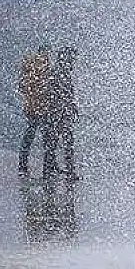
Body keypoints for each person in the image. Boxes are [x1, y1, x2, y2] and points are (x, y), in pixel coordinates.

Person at [18, 43, 57, 178]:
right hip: (43, 108)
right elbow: (47, 88)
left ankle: (22, 166)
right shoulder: (44, 67)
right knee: (48, 139)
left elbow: (22, 87)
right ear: (45, 52)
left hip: (30, 107)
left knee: (28, 137)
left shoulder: (28, 67)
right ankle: (49, 169)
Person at [51, 46, 79, 181]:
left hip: (58, 112)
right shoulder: (62, 72)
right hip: (60, 113)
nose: (74, 61)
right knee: (66, 141)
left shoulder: (59, 70)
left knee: (56, 141)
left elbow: (62, 92)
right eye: (72, 58)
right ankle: (69, 169)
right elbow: (63, 93)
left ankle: (55, 167)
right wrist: (69, 106)